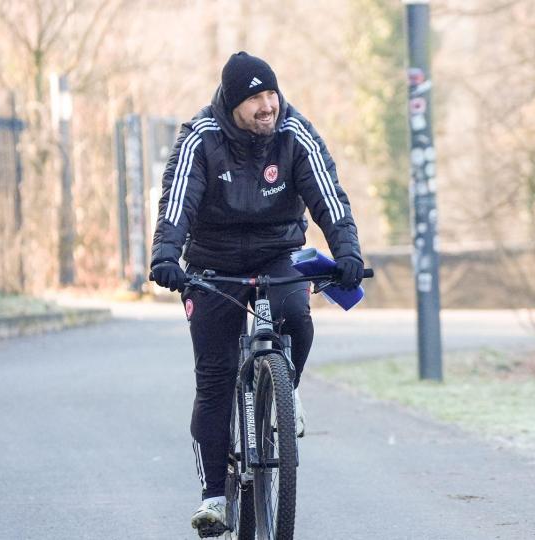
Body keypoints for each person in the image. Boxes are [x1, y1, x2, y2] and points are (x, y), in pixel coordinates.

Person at [149, 51, 364, 534]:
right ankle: (214, 499)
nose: (268, 106)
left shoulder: (293, 131)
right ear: (232, 103)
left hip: (278, 251)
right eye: (255, 99)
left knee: (296, 315)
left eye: (271, 94)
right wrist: (166, 256)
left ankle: (281, 394)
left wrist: (347, 251)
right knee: (215, 376)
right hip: (211, 263)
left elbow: (329, 196)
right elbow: (177, 201)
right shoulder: (200, 138)